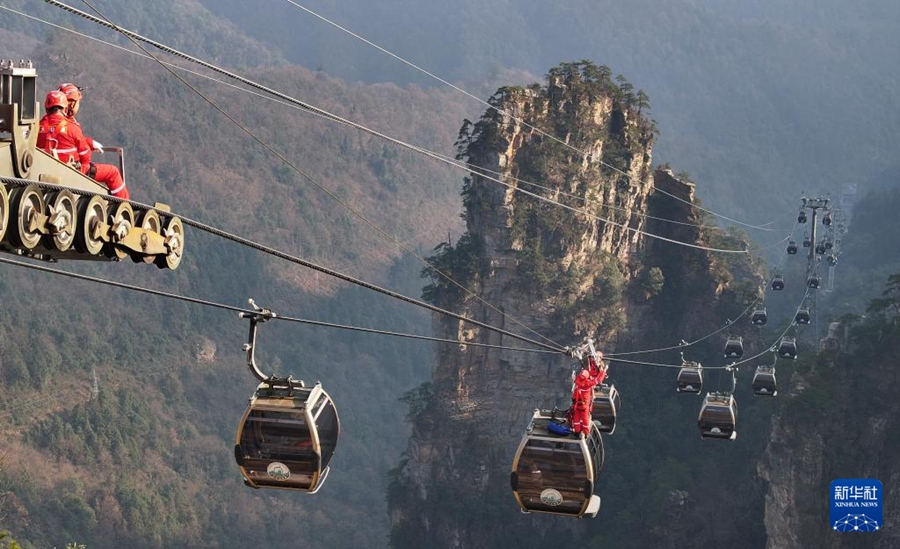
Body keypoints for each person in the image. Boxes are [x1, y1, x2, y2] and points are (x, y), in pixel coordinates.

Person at [57, 83, 129, 200]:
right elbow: (84, 154)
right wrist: (86, 158)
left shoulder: (45, 124)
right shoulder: (70, 126)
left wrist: (89, 143)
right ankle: (124, 206)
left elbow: (65, 139)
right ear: (72, 103)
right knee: (113, 172)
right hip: (73, 167)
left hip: (58, 165)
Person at [37, 90, 93, 170]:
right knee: (112, 172)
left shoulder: (36, 127)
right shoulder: (73, 128)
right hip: (70, 173)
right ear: (65, 109)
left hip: (41, 170)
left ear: (47, 108)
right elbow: (85, 154)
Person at [567, 351, 607, 437]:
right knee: (585, 421)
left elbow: (579, 376)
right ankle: (585, 433)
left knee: (576, 419)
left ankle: (577, 432)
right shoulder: (588, 384)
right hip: (584, 406)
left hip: (577, 406)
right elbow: (598, 380)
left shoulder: (577, 382)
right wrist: (603, 372)